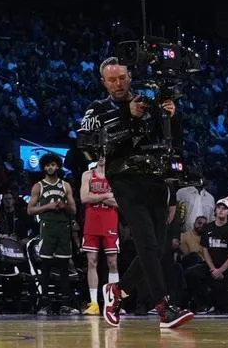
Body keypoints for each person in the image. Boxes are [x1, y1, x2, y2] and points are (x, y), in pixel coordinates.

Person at [77, 57, 194, 329]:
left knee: (159, 248)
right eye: (112, 79)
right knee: (147, 245)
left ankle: (117, 291)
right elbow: (88, 146)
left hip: (157, 181)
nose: (118, 84)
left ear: (130, 77)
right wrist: (128, 117)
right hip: (126, 182)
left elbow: (173, 144)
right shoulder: (97, 110)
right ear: (103, 82)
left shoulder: (148, 103)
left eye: (122, 78)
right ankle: (164, 308)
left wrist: (172, 117)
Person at [28, 153, 77, 314]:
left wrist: (64, 206)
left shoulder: (65, 185)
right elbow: (30, 210)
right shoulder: (38, 186)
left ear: (58, 166)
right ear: (43, 167)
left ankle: (66, 305)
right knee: (46, 267)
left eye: (53, 165)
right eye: (47, 165)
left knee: (64, 268)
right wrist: (47, 207)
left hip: (63, 227)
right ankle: (44, 304)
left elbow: (74, 210)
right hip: (47, 227)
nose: (50, 167)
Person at [80, 157, 120, 315]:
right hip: (92, 222)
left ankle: (114, 303)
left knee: (113, 262)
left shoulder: (115, 176)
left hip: (110, 221)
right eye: (100, 154)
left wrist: (95, 196)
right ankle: (94, 303)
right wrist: (106, 196)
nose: (103, 157)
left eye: (105, 154)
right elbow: (84, 198)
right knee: (91, 261)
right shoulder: (87, 175)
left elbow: (120, 202)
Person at [189, 202, 228, 313]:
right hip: (209, 267)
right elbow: (205, 250)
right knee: (191, 273)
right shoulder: (208, 227)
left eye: (224, 208)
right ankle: (203, 304)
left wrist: (220, 270)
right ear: (215, 211)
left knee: (223, 307)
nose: (221, 210)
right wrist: (213, 269)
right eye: (219, 208)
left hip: (226, 271)